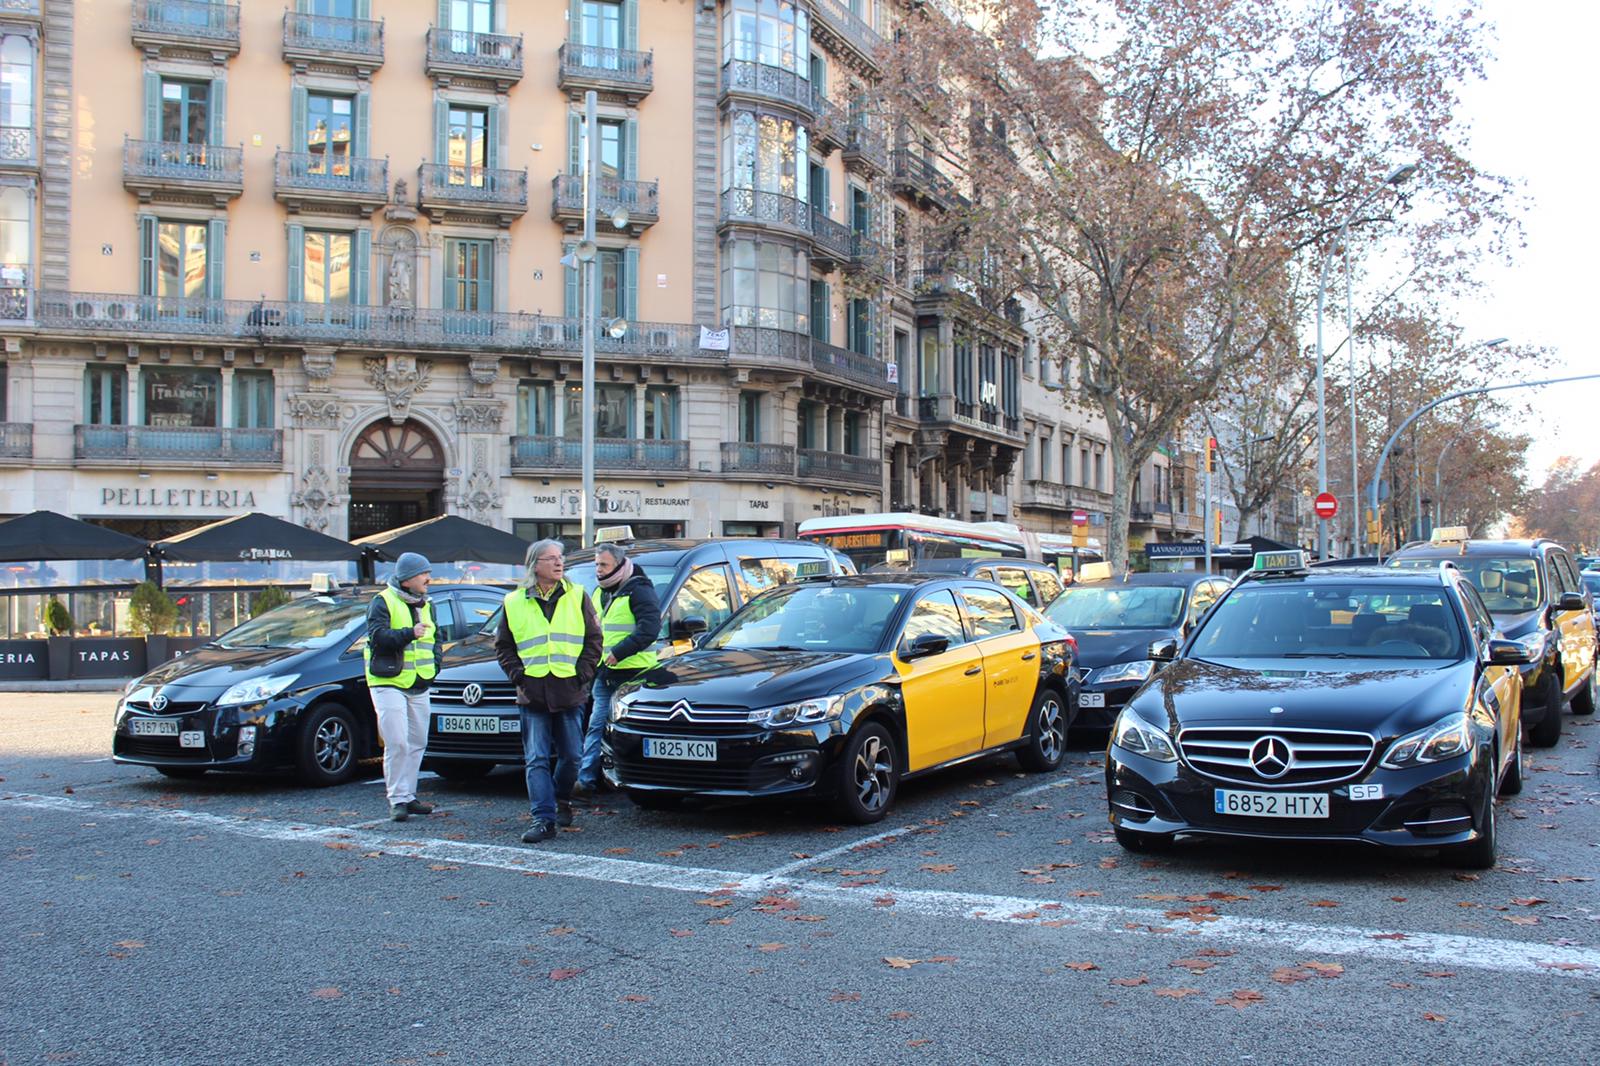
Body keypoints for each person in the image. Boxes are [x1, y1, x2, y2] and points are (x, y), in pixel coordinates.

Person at [496, 539, 602, 844]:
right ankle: (543, 818)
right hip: (533, 692)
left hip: (569, 689)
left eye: (560, 558)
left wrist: (583, 673)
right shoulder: (514, 601)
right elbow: (503, 646)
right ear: (535, 565)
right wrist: (519, 676)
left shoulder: (578, 596)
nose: (559, 563)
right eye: (551, 558)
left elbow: (595, 640)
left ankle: (561, 799)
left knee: (572, 757)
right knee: (537, 758)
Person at [577, 544, 662, 793]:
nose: (598, 570)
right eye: (596, 564)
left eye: (603, 564)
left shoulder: (639, 590)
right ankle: (586, 781)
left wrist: (619, 652)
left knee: (630, 731)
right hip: (604, 673)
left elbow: (649, 629)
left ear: (619, 564)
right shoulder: (600, 592)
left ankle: (637, 780)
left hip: (635, 675)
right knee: (596, 725)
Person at [365, 552, 441, 822]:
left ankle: (409, 796)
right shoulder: (383, 601)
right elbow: (377, 637)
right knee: (397, 741)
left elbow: (436, 639)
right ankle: (397, 799)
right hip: (388, 681)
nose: (428, 579)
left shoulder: (428, 604)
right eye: (424, 574)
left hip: (419, 682)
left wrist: (436, 664)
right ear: (408, 579)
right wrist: (409, 633)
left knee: (418, 741)